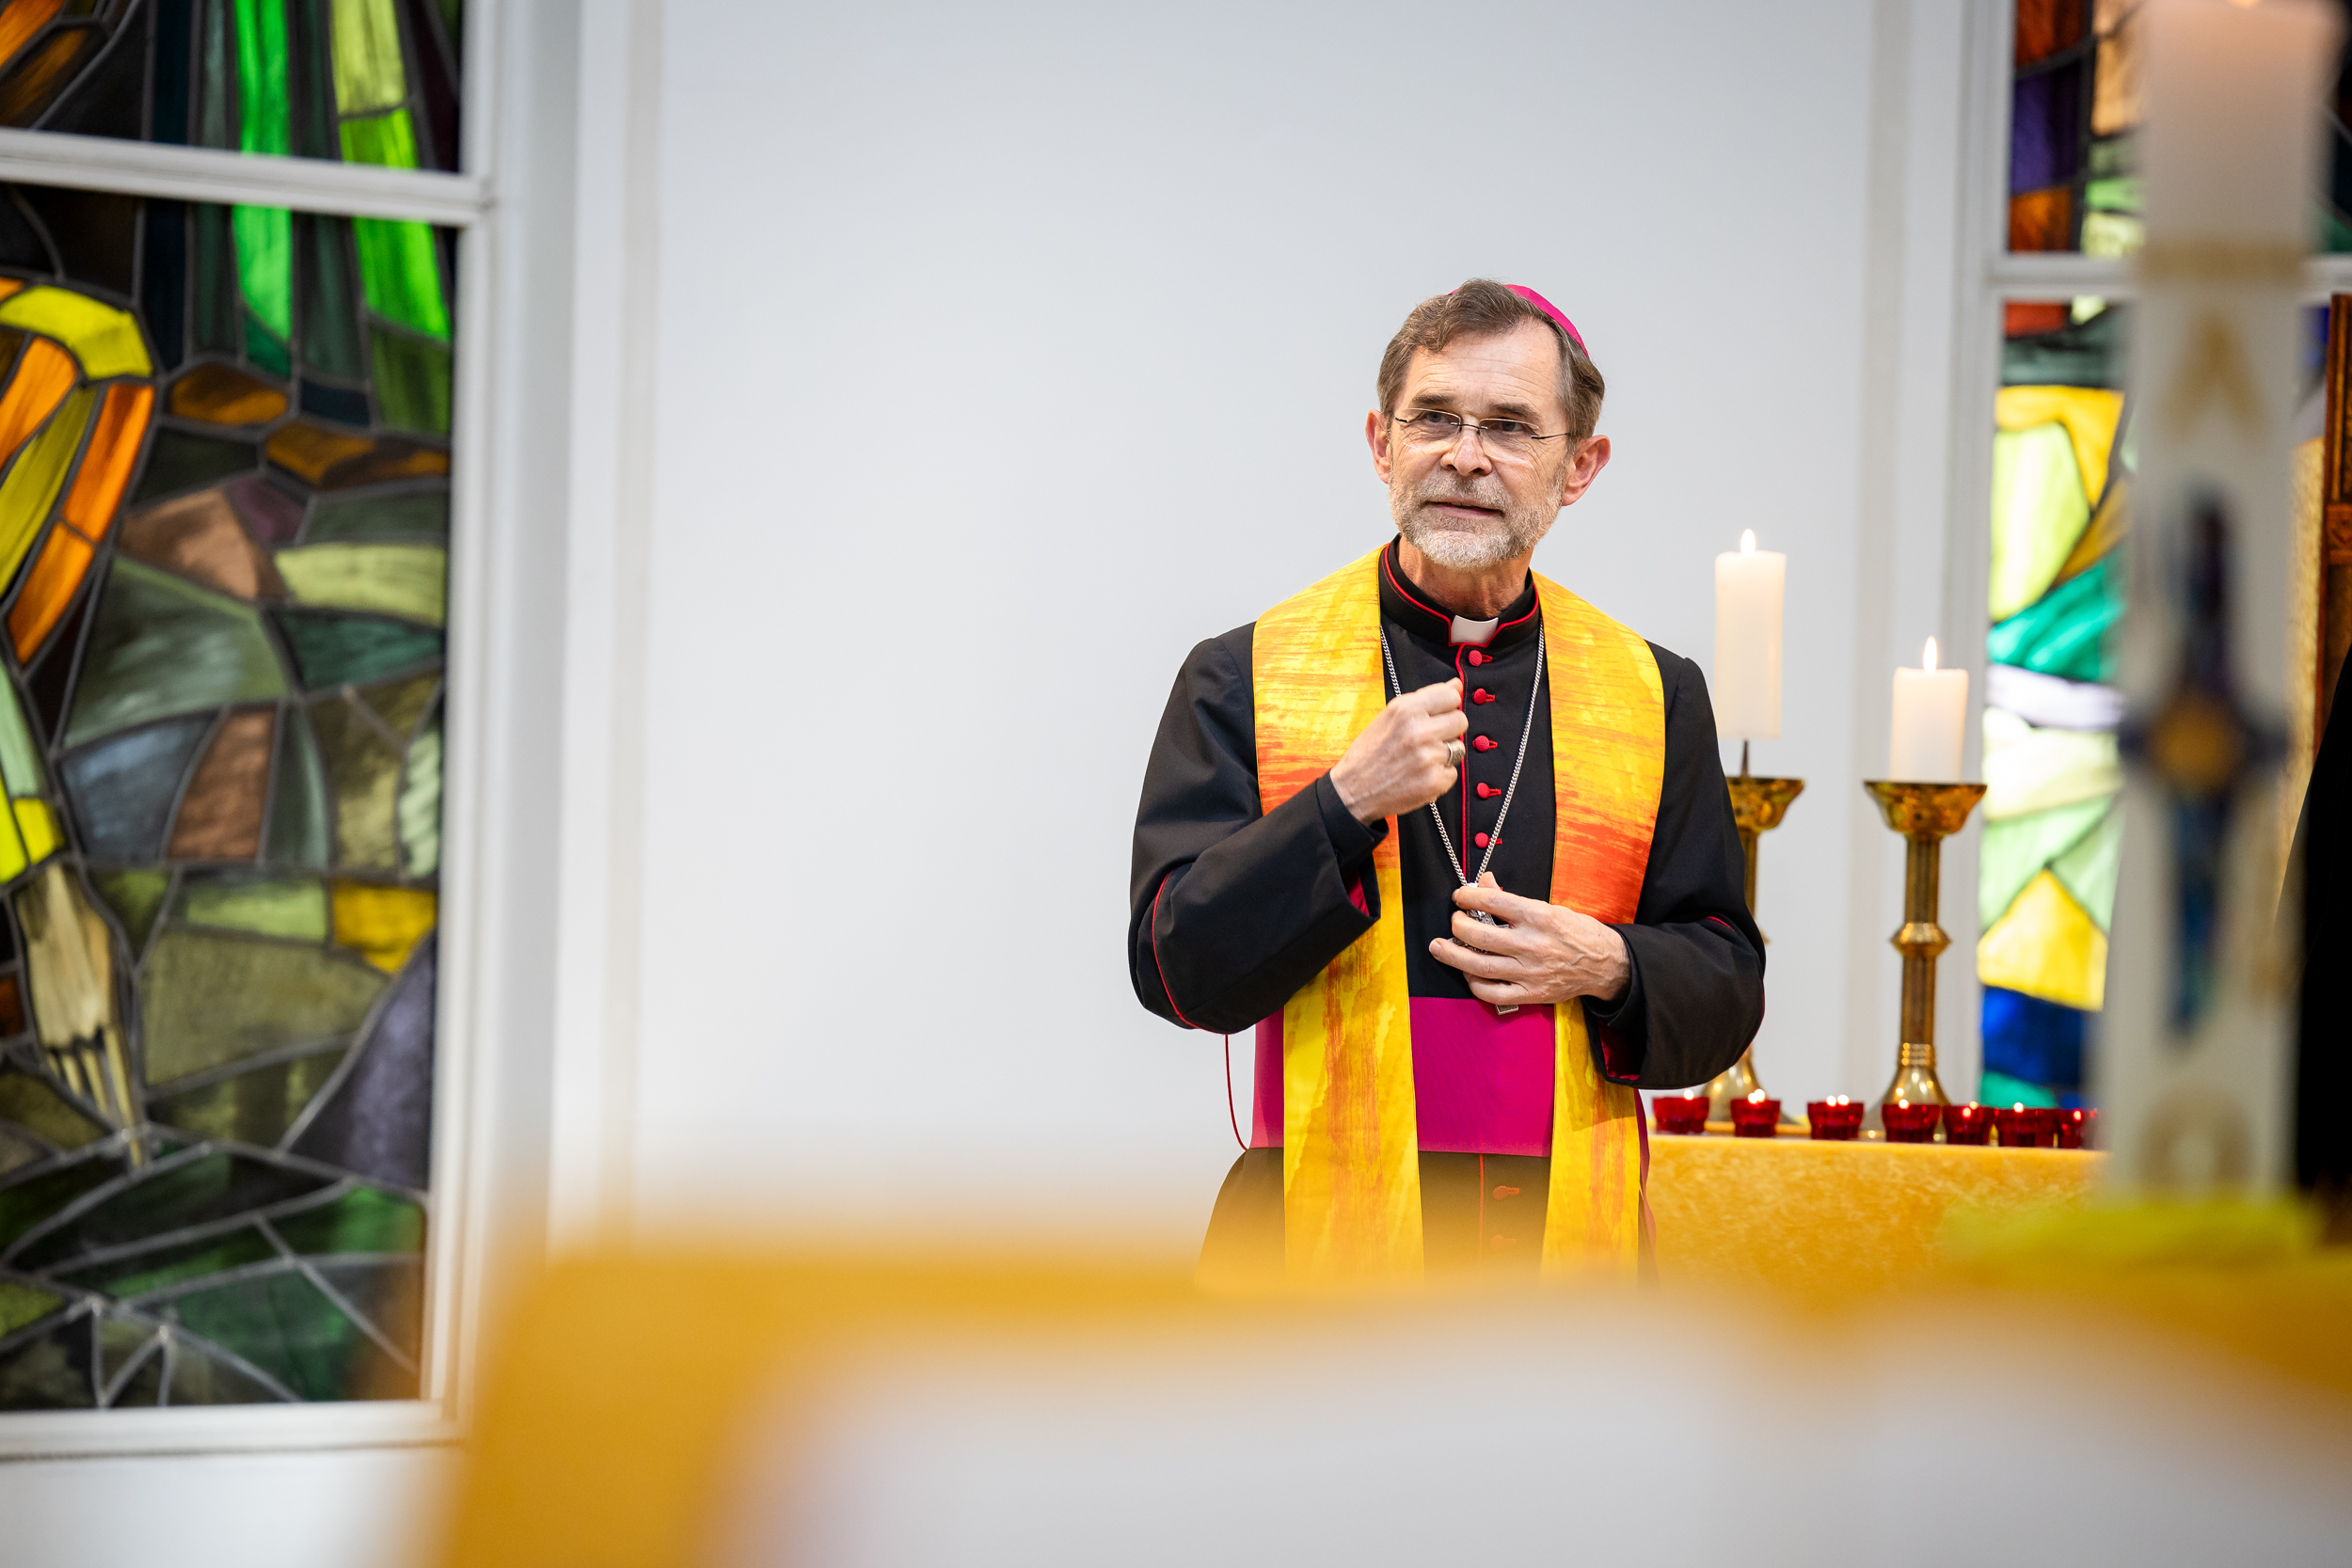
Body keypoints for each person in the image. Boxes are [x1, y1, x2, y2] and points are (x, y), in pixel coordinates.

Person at [1128, 280, 1764, 1284]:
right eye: (1433, 418)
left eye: (1509, 426)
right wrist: (1341, 804)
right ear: (1381, 443)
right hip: (1301, 1244)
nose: (1465, 455)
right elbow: (1173, 971)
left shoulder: (1654, 691)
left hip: (1564, 1250)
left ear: (1579, 465)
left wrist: (1609, 963)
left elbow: (1728, 982)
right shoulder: (1241, 673)